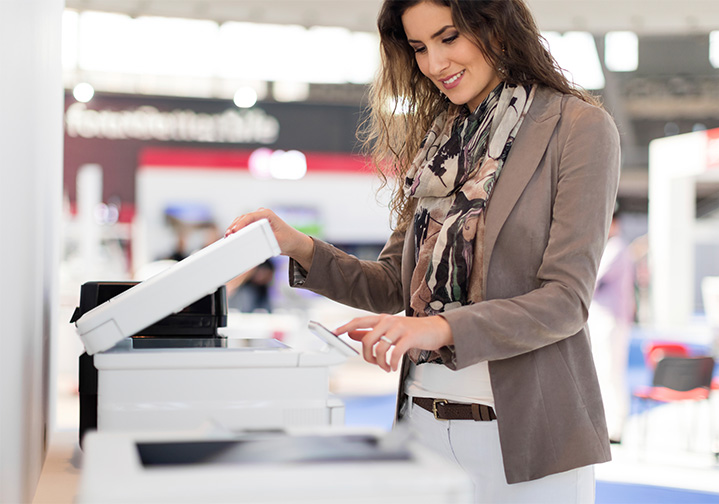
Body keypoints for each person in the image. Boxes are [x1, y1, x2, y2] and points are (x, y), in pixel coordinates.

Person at [226, 0, 620, 501]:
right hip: (421, 428)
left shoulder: (578, 128)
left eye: (448, 37)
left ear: (496, 26)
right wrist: (296, 245)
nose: (434, 64)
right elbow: (393, 284)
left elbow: (566, 301)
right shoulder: (439, 144)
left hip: (526, 443)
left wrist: (438, 327)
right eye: (418, 48)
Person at [589, 210, 636, 444]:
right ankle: (612, 425)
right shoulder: (616, 247)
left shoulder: (615, 247)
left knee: (609, 373)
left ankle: (614, 426)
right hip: (610, 319)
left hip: (610, 320)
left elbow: (591, 279)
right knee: (607, 372)